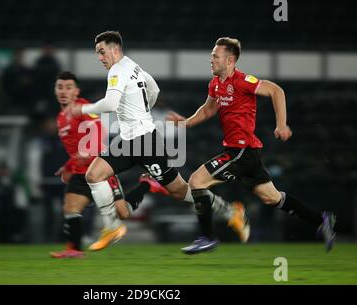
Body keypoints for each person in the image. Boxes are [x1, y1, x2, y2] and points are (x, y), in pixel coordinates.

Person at [66, 31, 250, 252]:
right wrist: (143, 110)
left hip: (146, 143)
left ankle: (231, 211)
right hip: (127, 141)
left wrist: (82, 108)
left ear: (115, 49)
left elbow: (111, 103)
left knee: (179, 190)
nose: (100, 57)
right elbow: (154, 89)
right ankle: (112, 226)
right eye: (98, 53)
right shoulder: (133, 66)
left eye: (102, 52)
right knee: (94, 175)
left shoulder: (117, 71)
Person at [166, 37, 336, 253]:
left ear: (229, 60)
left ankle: (207, 237)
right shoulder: (216, 83)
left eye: (215, 56)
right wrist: (185, 123)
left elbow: (276, 91)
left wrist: (281, 124)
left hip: (241, 150)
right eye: (211, 56)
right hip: (243, 152)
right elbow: (208, 109)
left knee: (196, 181)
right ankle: (322, 220)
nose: (211, 60)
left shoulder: (243, 80)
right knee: (272, 198)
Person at [50, 71, 169, 258]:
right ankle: (74, 249)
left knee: (123, 214)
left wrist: (89, 151)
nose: (64, 91)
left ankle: (146, 184)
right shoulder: (61, 117)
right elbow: (74, 149)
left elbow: (98, 131)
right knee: (71, 207)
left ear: (77, 91)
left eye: (68, 87)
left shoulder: (84, 109)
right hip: (80, 173)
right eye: (60, 87)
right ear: (55, 91)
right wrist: (68, 166)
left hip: (99, 170)